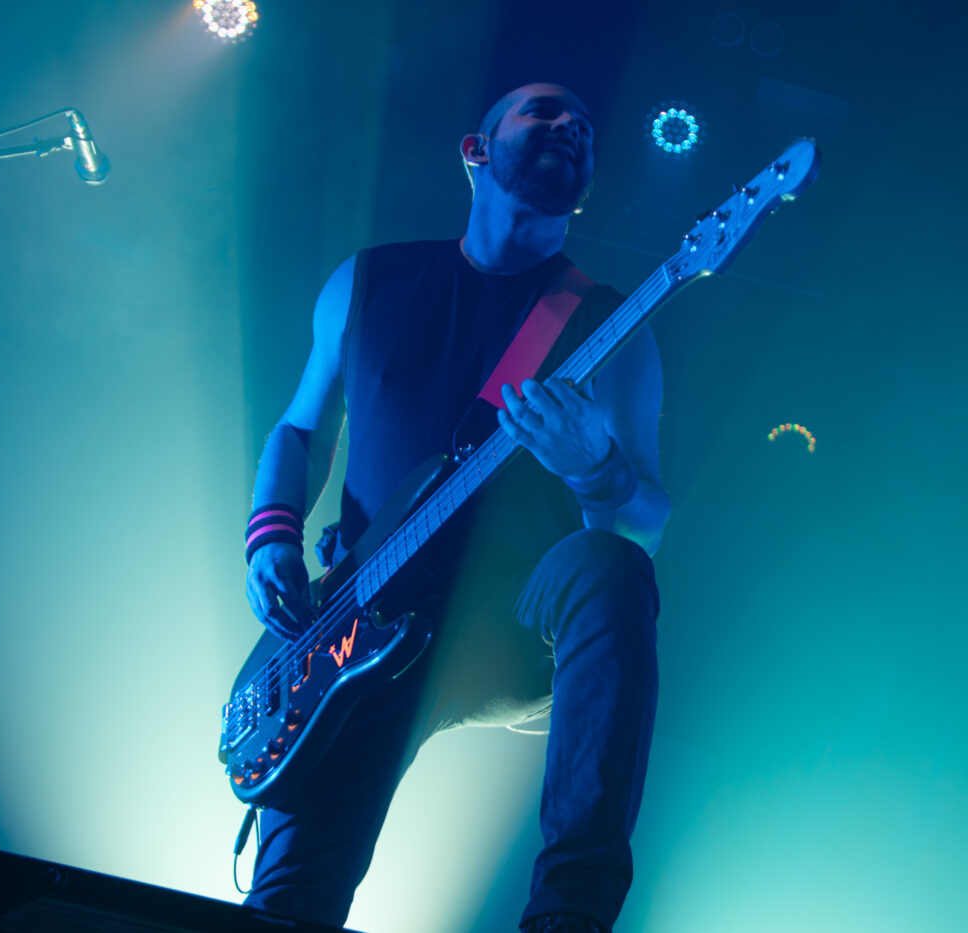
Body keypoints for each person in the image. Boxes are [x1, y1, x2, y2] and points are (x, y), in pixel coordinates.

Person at [240, 82, 669, 933]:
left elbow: (645, 526)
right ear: (477, 150)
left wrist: (597, 470)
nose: (570, 124)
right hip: (359, 626)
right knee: (287, 902)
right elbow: (300, 426)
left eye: (583, 124)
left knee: (607, 564)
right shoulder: (366, 281)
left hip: (511, 622)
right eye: (542, 111)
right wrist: (271, 536)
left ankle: (570, 914)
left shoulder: (610, 325)